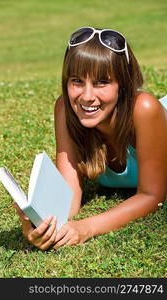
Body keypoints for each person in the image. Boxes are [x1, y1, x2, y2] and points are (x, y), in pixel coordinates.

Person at [14, 27, 167, 251]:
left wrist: (86, 228)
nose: (86, 96)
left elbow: (152, 195)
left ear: (122, 85)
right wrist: (39, 223)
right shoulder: (66, 109)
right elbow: (69, 195)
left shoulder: (144, 109)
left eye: (101, 82)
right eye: (77, 81)